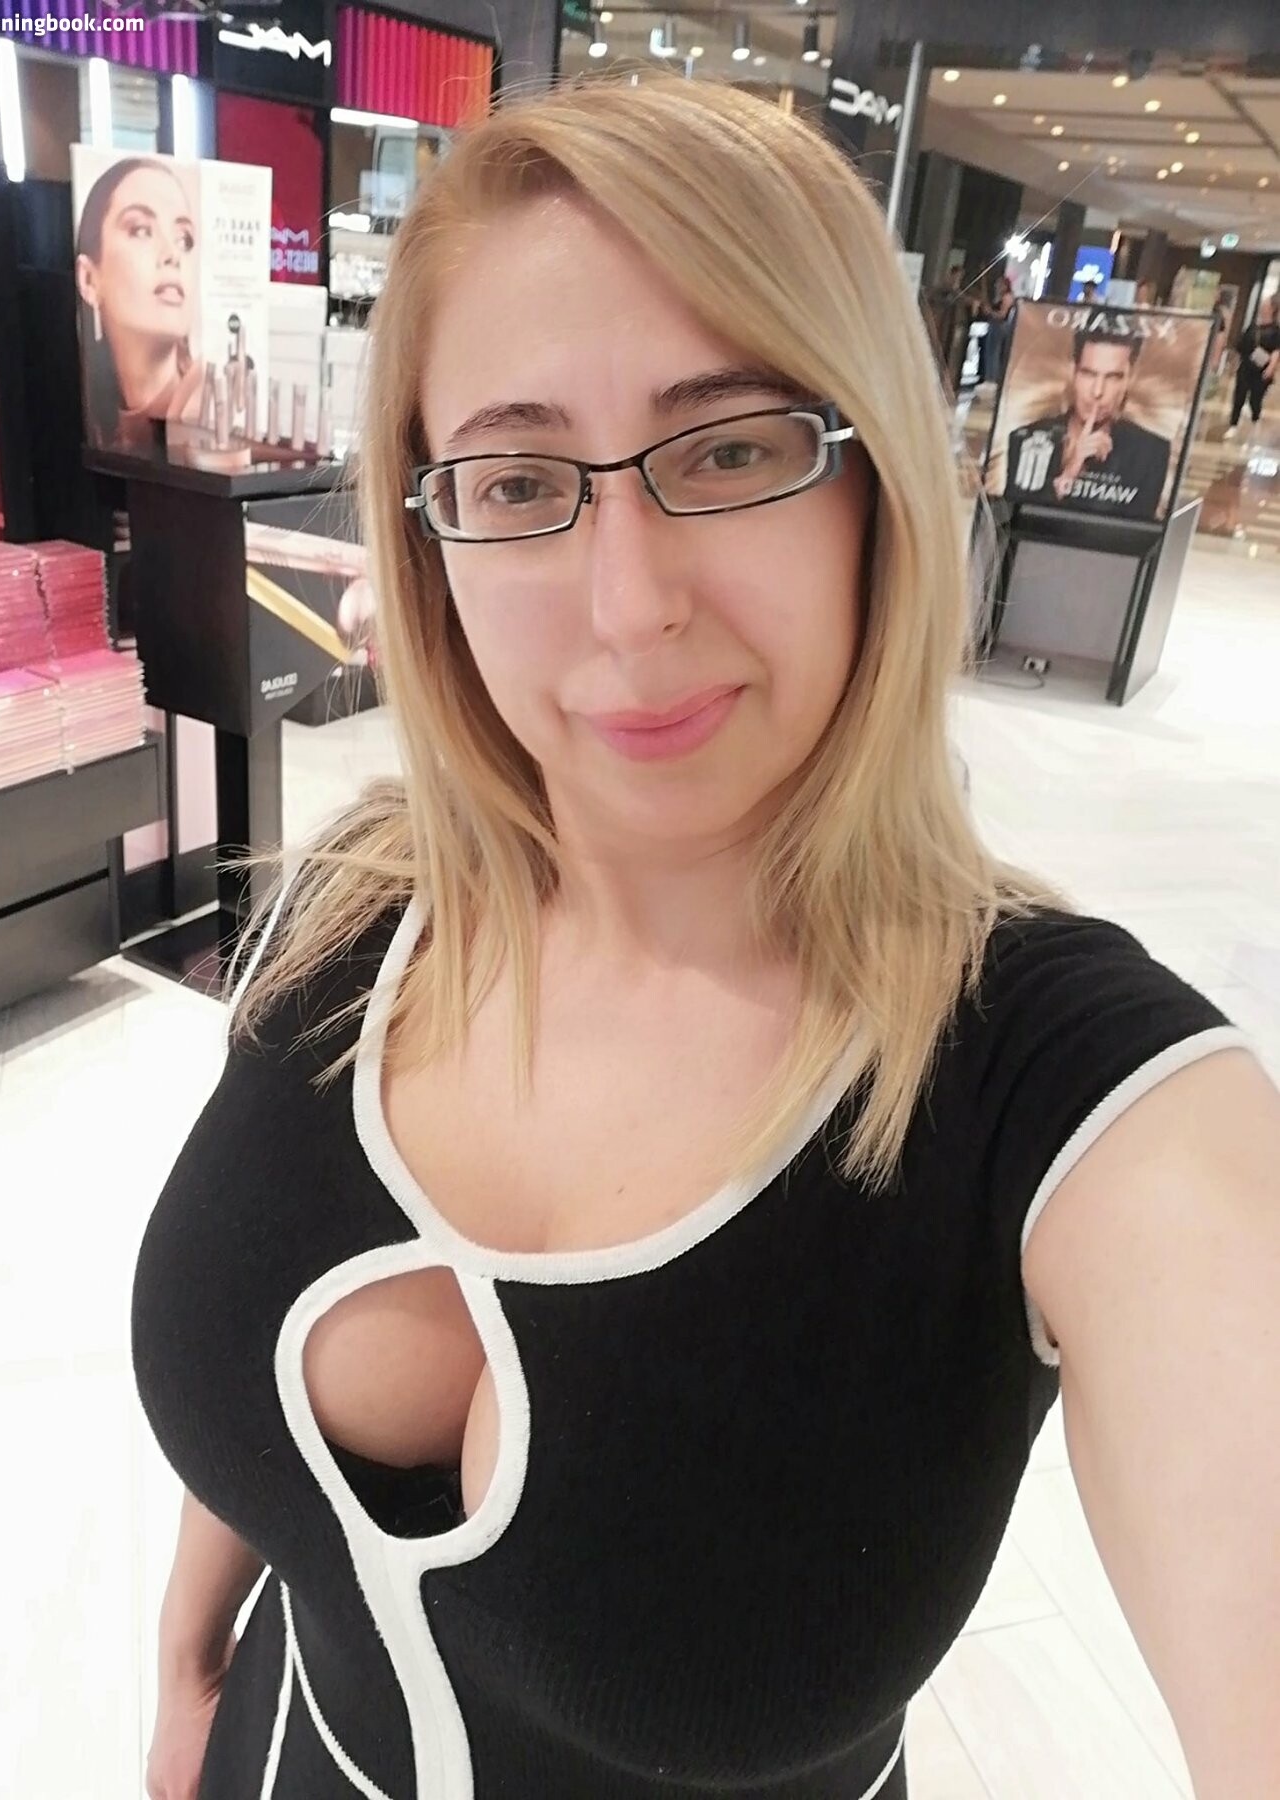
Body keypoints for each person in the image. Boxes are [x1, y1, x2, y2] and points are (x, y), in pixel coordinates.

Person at [133, 77, 1280, 1800]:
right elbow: (250, 1350)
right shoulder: (354, 910)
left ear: (876, 479)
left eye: (731, 450)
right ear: (432, 535)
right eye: (519, 477)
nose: (630, 604)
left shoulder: (1068, 1102)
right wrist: (182, 1670)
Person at [74, 157, 205, 451]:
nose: (172, 254)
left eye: (184, 239)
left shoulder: (215, 413)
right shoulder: (82, 413)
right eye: (141, 230)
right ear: (89, 279)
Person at [1005, 327, 1172, 516]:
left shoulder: (1151, 452)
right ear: (1074, 373)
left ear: (1129, 380)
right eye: (1088, 374)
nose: (1097, 391)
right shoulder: (1027, 439)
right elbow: (1011, 518)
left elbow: (1136, 527)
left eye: (1113, 377)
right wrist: (1070, 471)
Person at [1224, 295, 1280, 439]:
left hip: (1261, 370)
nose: (1262, 307)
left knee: (1255, 399)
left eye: (1265, 305)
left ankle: (1255, 420)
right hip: (1246, 366)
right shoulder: (1252, 327)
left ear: (1272, 309)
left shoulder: (1276, 331)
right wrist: (1235, 362)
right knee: (1239, 395)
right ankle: (1233, 424)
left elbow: (1276, 350)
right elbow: (1241, 345)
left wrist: (1271, 367)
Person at [980, 274, 1016, 385]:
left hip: (999, 326)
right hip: (995, 325)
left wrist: (990, 312)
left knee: (993, 353)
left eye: (999, 284)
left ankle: (992, 378)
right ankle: (990, 377)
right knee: (990, 353)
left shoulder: (1007, 298)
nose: (997, 286)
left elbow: (1002, 314)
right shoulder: (1001, 297)